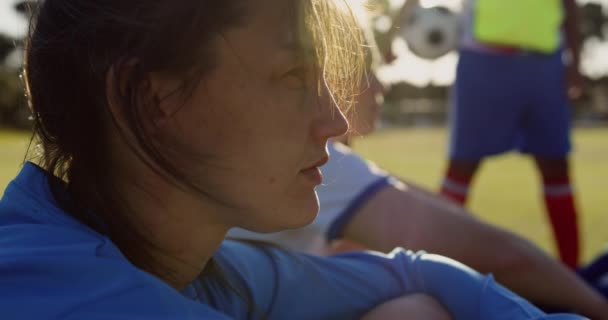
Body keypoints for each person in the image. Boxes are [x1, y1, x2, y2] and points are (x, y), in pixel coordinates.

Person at [0, 0, 588, 319]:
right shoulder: (69, 299)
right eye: (292, 75)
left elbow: (416, 270)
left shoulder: (203, 269)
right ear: (155, 100)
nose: (336, 120)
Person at [227, 4, 608, 318]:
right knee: (416, 309)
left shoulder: (327, 166)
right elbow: (489, 253)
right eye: (367, 73)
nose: (382, 86)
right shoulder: (327, 169)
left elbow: (428, 208)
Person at [438, 0, 583, 270]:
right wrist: (390, 39)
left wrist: (576, 62)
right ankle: (428, 265)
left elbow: (570, 5)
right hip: (483, 59)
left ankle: (574, 272)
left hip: (545, 62)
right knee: (462, 165)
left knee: (556, 166)